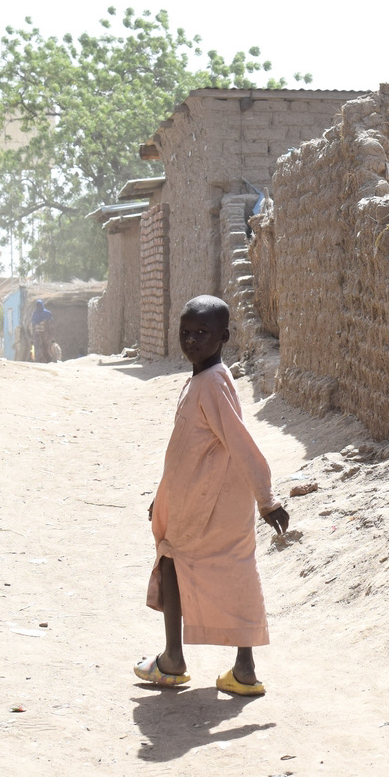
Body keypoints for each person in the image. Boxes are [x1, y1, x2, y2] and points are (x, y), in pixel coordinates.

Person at [135, 295, 289, 695]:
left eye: (202, 333)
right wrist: (163, 493)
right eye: (185, 333)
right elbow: (187, 450)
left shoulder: (212, 383)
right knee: (233, 570)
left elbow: (240, 443)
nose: (191, 340)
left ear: (223, 337)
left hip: (209, 503)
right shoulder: (203, 379)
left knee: (172, 559)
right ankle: (244, 669)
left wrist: (267, 498)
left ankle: (172, 660)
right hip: (207, 499)